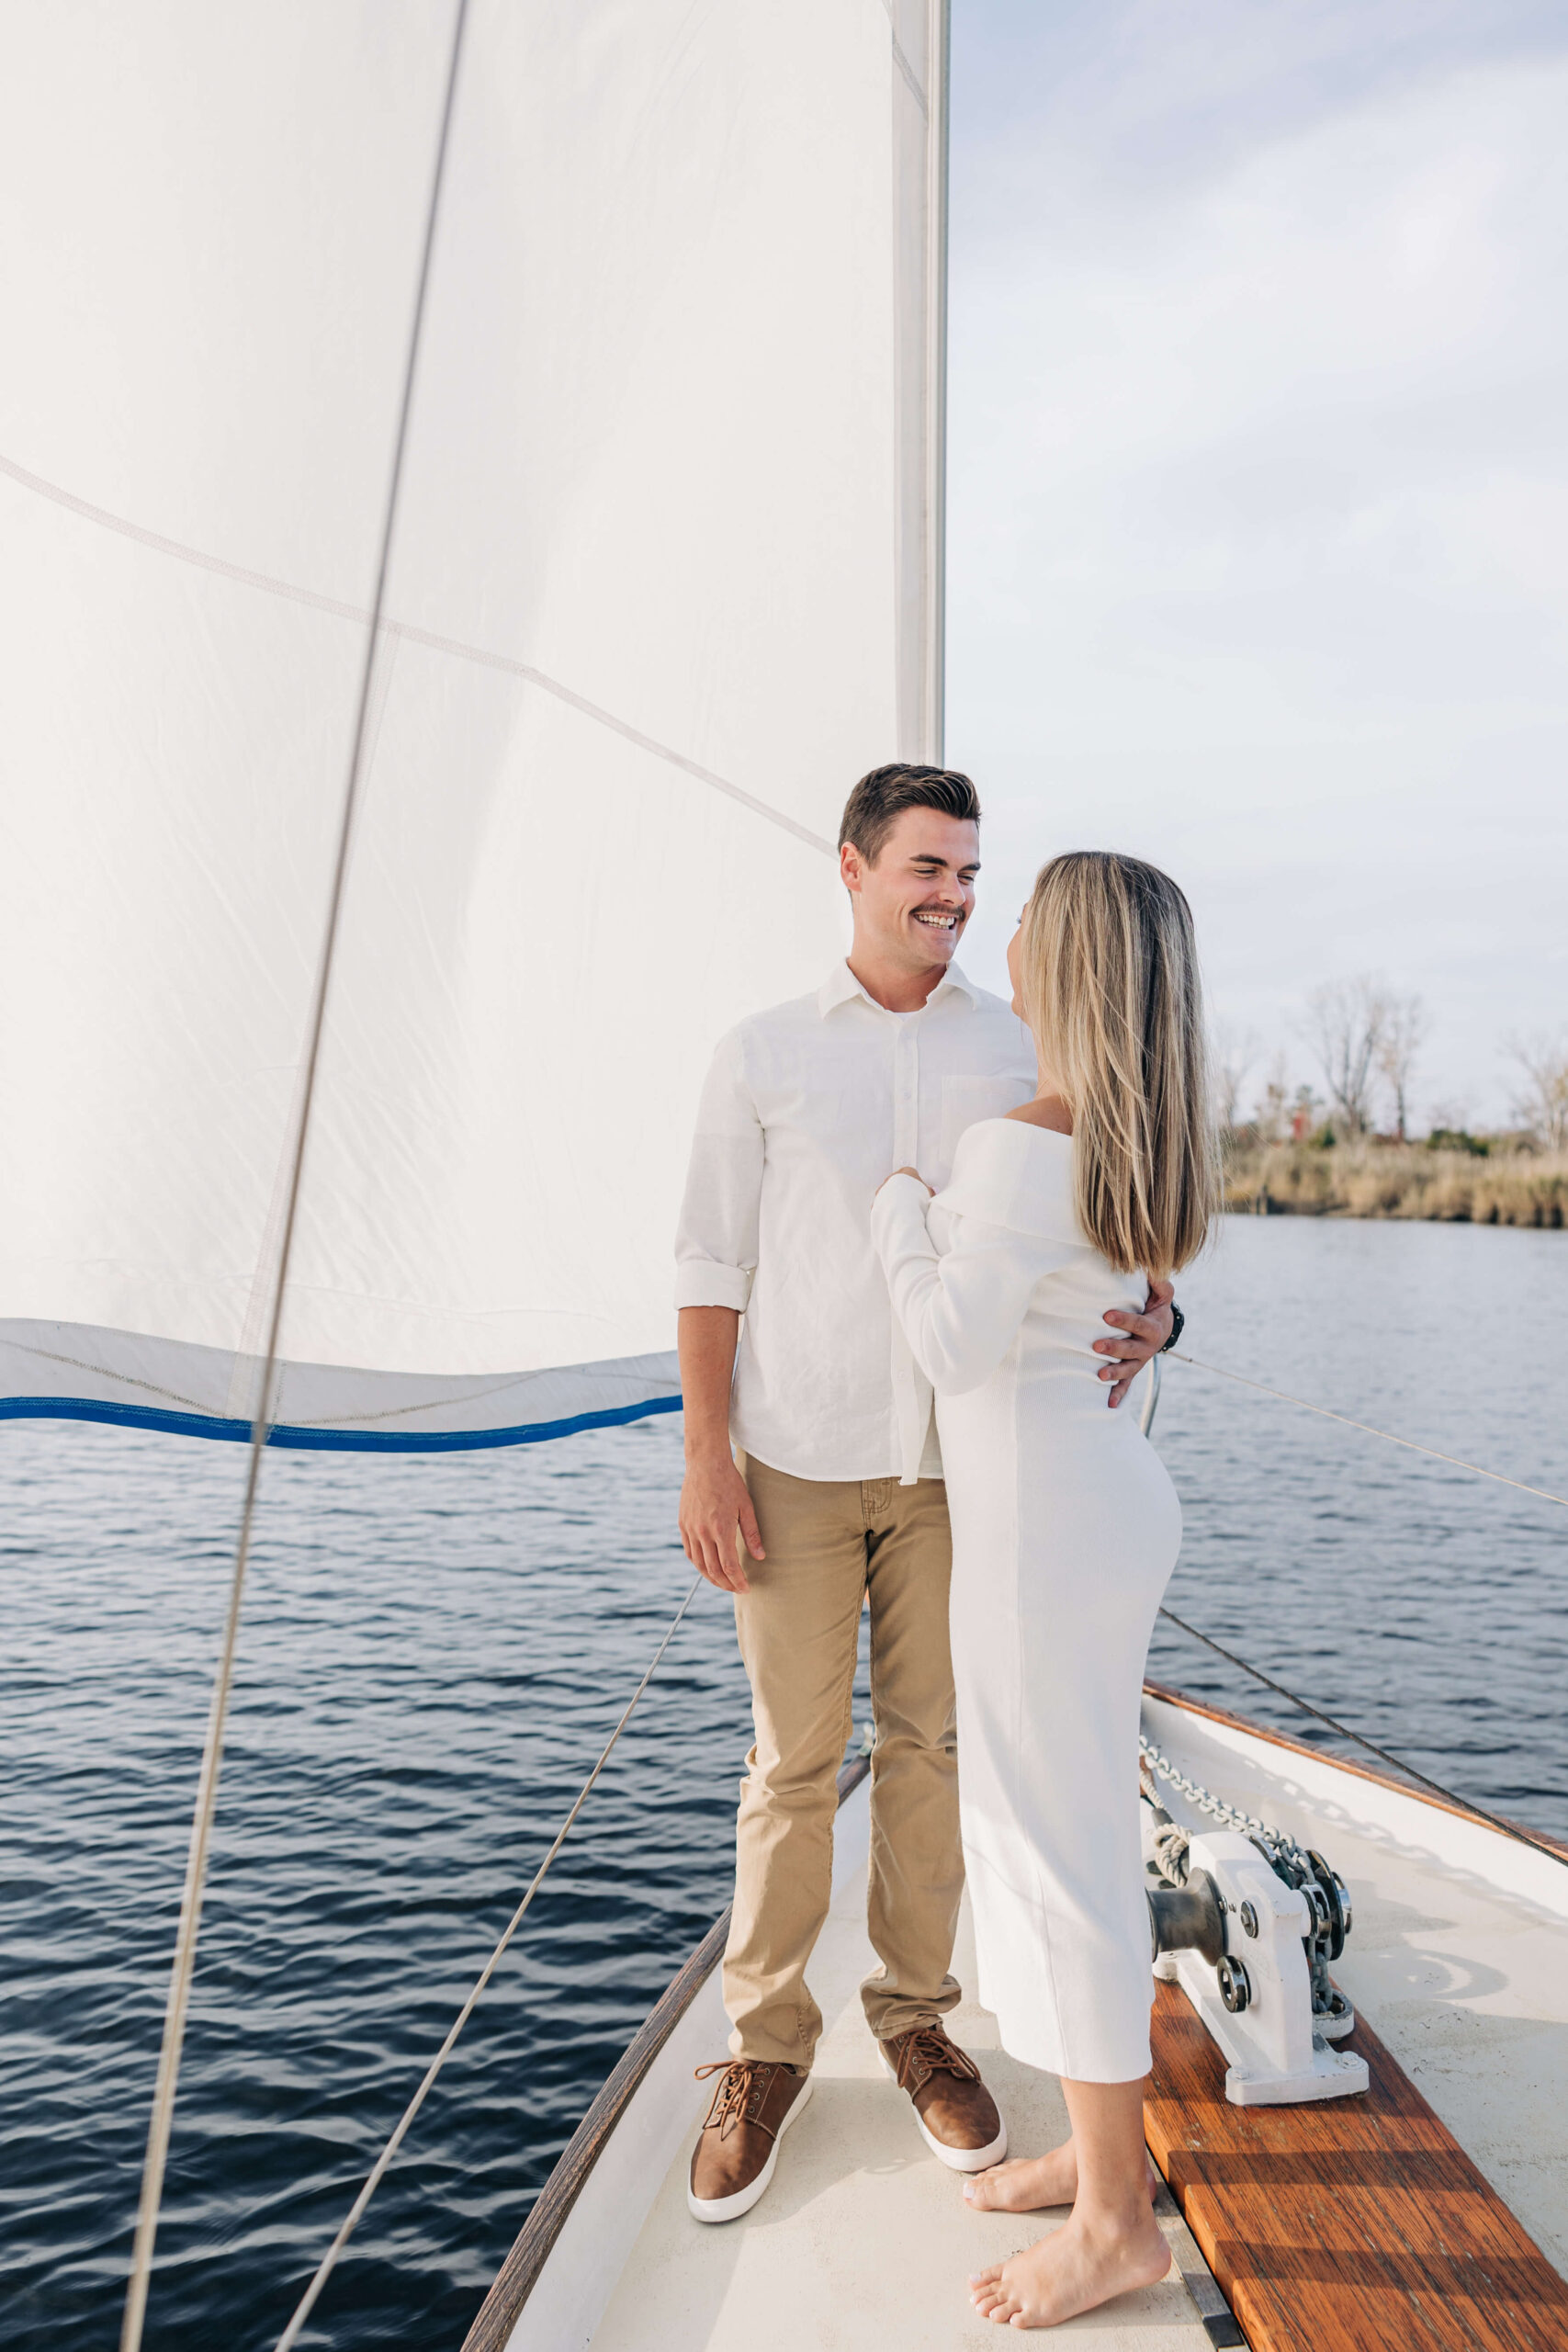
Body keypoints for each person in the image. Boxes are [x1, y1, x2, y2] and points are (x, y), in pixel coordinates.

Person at [674, 769, 1178, 2224]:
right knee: (790, 1765)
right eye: (928, 868)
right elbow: (710, 1265)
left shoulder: (1025, 1043)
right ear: (853, 867)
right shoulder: (761, 1054)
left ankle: (913, 2016)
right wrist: (708, 1456)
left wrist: (1165, 1320)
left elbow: (1121, 1235)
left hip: (967, 1477)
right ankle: (764, 2052)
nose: (954, 896)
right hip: (796, 1458)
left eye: (970, 872)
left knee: (937, 1751)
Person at [869, 849, 1218, 2328]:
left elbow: (950, 1346)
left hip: (1039, 1544)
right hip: (1105, 1512)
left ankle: (1118, 2226)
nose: (995, 932)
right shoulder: (1146, 1151)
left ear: (1062, 962)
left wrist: (895, 1206)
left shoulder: (1017, 1148)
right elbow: (1120, 1304)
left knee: (1060, 1851)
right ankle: (1090, 2168)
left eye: (1021, 918)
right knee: (1050, 1830)